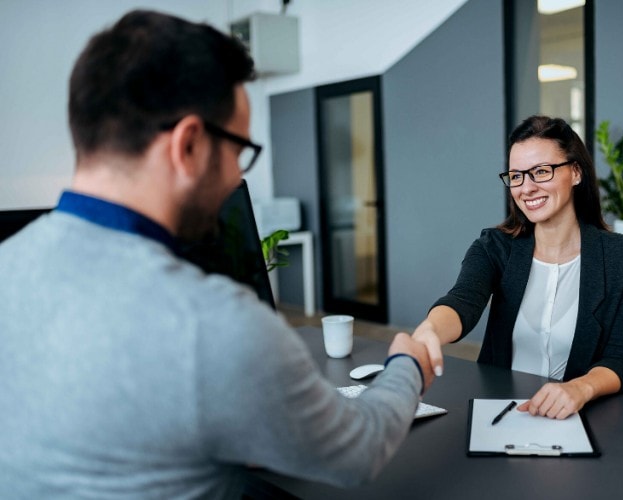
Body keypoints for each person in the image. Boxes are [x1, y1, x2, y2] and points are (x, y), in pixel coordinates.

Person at [0, 10, 433, 499]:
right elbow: (358, 452)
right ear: (187, 145)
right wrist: (408, 365)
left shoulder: (6, 267)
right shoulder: (208, 323)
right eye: (237, 151)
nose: (235, 177)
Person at [410, 115, 623, 420]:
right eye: (516, 176)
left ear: (576, 172)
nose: (527, 187)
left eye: (541, 171)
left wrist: (580, 388)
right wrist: (429, 330)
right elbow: (463, 300)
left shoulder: (622, 255)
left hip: (586, 414)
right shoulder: (495, 246)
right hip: (504, 411)